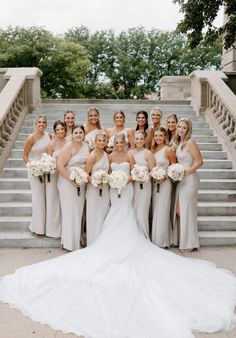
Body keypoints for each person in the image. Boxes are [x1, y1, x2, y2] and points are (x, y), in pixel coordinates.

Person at [0, 126, 236, 338]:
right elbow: (94, 172)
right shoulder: (107, 155)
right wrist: (108, 179)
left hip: (128, 193)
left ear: (126, 143)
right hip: (112, 192)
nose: (121, 145)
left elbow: (134, 172)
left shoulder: (132, 155)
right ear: (114, 144)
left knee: (128, 220)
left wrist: (134, 177)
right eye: (118, 143)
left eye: (123, 143)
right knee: (112, 222)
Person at [173, 117, 203, 253]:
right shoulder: (180, 142)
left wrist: (185, 173)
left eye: (184, 128)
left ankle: (190, 243)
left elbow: (199, 161)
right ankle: (187, 240)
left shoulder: (190, 142)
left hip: (189, 180)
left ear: (188, 129)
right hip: (181, 180)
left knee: (187, 210)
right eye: (179, 127)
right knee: (180, 210)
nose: (181, 129)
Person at [57, 125, 89, 251]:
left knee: (78, 211)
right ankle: (68, 243)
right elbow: (59, 164)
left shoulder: (86, 146)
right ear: (72, 134)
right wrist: (70, 179)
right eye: (76, 132)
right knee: (69, 211)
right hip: (67, 182)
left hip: (81, 182)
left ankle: (75, 239)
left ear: (84, 134)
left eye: (81, 132)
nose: (78, 135)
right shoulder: (69, 146)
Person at [22, 115, 50, 236]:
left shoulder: (48, 136)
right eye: (39, 122)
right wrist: (31, 165)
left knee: (45, 198)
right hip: (34, 170)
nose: (41, 124)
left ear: (46, 124)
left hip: (46, 169)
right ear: (35, 123)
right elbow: (25, 155)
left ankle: (45, 226)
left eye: (44, 122)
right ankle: (37, 228)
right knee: (38, 199)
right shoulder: (31, 138)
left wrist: (47, 164)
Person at [151, 127, 176, 248]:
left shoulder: (168, 150)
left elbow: (174, 168)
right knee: (156, 210)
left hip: (165, 184)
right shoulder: (153, 149)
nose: (158, 138)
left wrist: (164, 177)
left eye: (160, 136)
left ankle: (162, 241)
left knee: (162, 210)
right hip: (154, 184)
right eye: (156, 136)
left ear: (165, 136)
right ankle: (157, 238)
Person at [85, 130, 110, 245]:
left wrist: (106, 178)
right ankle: (92, 242)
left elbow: (109, 172)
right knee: (93, 214)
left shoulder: (106, 155)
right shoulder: (92, 156)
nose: (101, 142)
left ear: (106, 142)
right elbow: (86, 174)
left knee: (103, 214)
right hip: (93, 189)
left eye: (103, 140)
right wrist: (95, 181)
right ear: (95, 142)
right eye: (99, 140)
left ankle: (102, 242)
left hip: (105, 190)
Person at [129, 130, 155, 238]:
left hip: (145, 185)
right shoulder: (130, 153)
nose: (139, 141)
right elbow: (130, 169)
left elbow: (152, 171)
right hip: (133, 186)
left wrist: (144, 176)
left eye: (141, 139)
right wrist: (135, 175)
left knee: (142, 212)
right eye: (137, 139)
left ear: (144, 140)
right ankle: (135, 236)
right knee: (134, 210)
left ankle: (143, 236)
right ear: (134, 140)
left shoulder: (148, 153)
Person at [45, 120, 66, 238]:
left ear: (65, 129)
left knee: (63, 201)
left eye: (62, 129)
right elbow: (47, 160)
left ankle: (64, 229)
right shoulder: (51, 145)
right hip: (53, 175)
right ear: (55, 131)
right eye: (58, 130)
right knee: (53, 201)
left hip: (64, 175)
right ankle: (53, 230)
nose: (60, 131)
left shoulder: (69, 142)